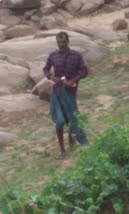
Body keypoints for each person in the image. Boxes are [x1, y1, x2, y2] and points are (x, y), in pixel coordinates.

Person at [43, 31, 89, 159]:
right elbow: (45, 69)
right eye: (59, 43)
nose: (61, 45)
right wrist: (52, 77)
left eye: (63, 42)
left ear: (68, 42)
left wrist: (73, 81)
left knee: (71, 118)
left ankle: (71, 137)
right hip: (57, 92)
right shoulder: (53, 55)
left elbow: (84, 71)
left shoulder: (76, 55)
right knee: (59, 121)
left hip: (70, 92)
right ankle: (62, 150)